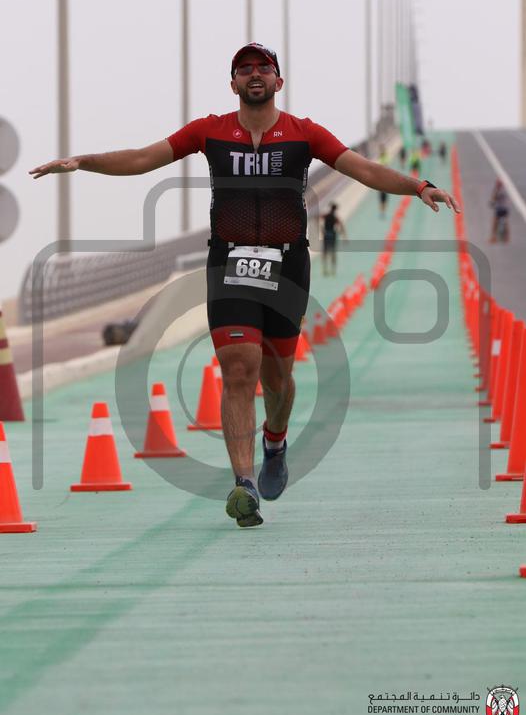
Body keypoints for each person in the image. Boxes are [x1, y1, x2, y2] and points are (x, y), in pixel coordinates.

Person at [29, 42, 460, 529]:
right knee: (238, 368)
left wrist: (418, 186)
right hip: (229, 263)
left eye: (263, 68)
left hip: (287, 267)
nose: (254, 74)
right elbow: (144, 157)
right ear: (232, 83)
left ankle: (274, 441)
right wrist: (83, 161)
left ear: (279, 81)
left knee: (277, 379)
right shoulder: (209, 131)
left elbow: (362, 168)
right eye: (244, 68)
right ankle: (244, 484)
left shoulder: (304, 133)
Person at [320, 202, 346, 276]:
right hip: (332, 235)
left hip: (326, 235)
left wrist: (322, 229)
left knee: (325, 252)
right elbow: (341, 225)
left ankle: (324, 269)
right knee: (333, 252)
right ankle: (333, 270)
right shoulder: (335, 218)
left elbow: (319, 219)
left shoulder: (326, 216)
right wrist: (343, 236)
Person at [489, 178, 510, 243]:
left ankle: (493, 237)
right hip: (505, 209)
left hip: (499, 209)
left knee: (495, 223)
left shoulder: (498, 191)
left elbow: (494, 199)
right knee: (506, 223)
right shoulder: (504, 190)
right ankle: (507, 238)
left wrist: (491, 203)